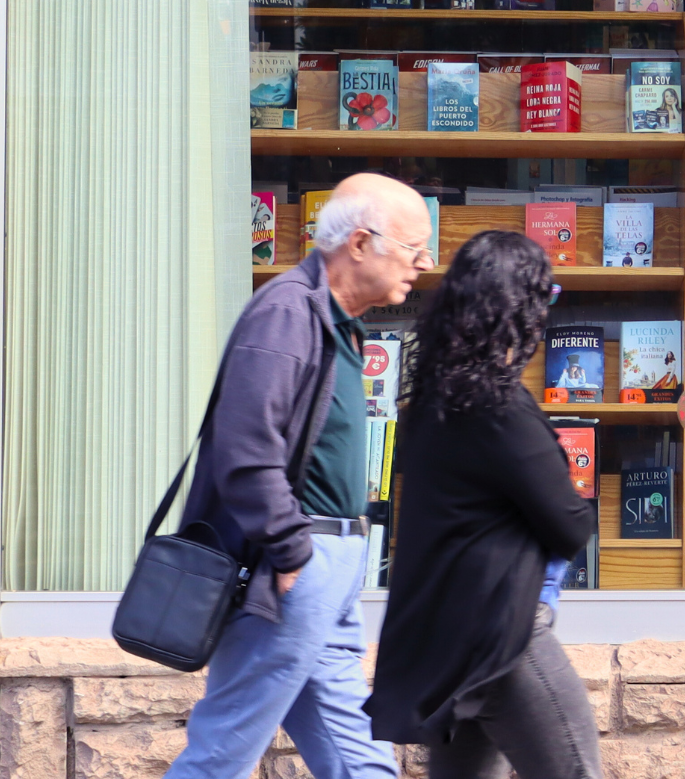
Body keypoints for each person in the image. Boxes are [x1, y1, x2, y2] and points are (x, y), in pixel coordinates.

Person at [164, 172, 434, 779]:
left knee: (355, 751)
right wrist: (291, 552)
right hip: (297, 565)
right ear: (361, 244)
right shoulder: (287, 312)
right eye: (414, 248)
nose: (423, 263)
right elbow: (246, 447)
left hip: (330, 564)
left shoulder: (337, 320)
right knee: (222, 751)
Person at [370, 230, 600, 779]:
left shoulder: (428, 402)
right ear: (518, 310)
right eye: (544, 299)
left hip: (447, 645)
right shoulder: (499, 404)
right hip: (505, 637)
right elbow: (570, 525)